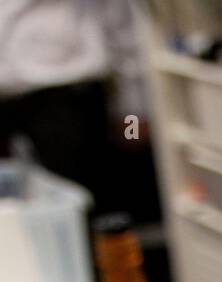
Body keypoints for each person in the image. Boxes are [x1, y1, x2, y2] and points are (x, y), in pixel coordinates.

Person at [0, 0, 149, 214]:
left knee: (85, 208)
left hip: (66, 99)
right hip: (7, 104)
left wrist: (134, 113)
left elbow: (126, 29)